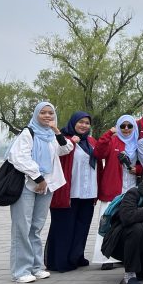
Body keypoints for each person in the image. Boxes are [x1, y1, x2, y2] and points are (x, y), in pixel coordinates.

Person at [7, 102, 73, 283]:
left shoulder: (50, 135)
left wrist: (57, 131)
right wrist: (38, 178)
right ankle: (21, 270)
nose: (47, 116)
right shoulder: (28, 133)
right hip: (27, 185)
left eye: (50, 113)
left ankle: (36, 267)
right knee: (22, 227)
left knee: (36, 227)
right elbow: (18, 157)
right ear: (36, 114)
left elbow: (66, 148)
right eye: (43, 112)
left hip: (46, 186)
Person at [46, 111, 98, 273]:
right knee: (64, 227)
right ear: (73, 123)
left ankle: (76, 256)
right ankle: (59, 261)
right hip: (68, 191)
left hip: (88, 191)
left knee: (82, 226)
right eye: (80, 122)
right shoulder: (63, 140)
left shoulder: (91, 141)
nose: (84, 125)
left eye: (87, 123)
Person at [93, 114, 140, 270]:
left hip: (131, 186)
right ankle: (104, 257)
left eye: (129, 126)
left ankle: (123, 255)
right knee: (106, 220)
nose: (126, 129)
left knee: (127, 222)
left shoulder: (138, 143)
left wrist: (137, 169)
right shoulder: (112, 140)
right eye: (122, 126)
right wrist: (108, 134)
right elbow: (98, 153)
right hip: (113, 185)